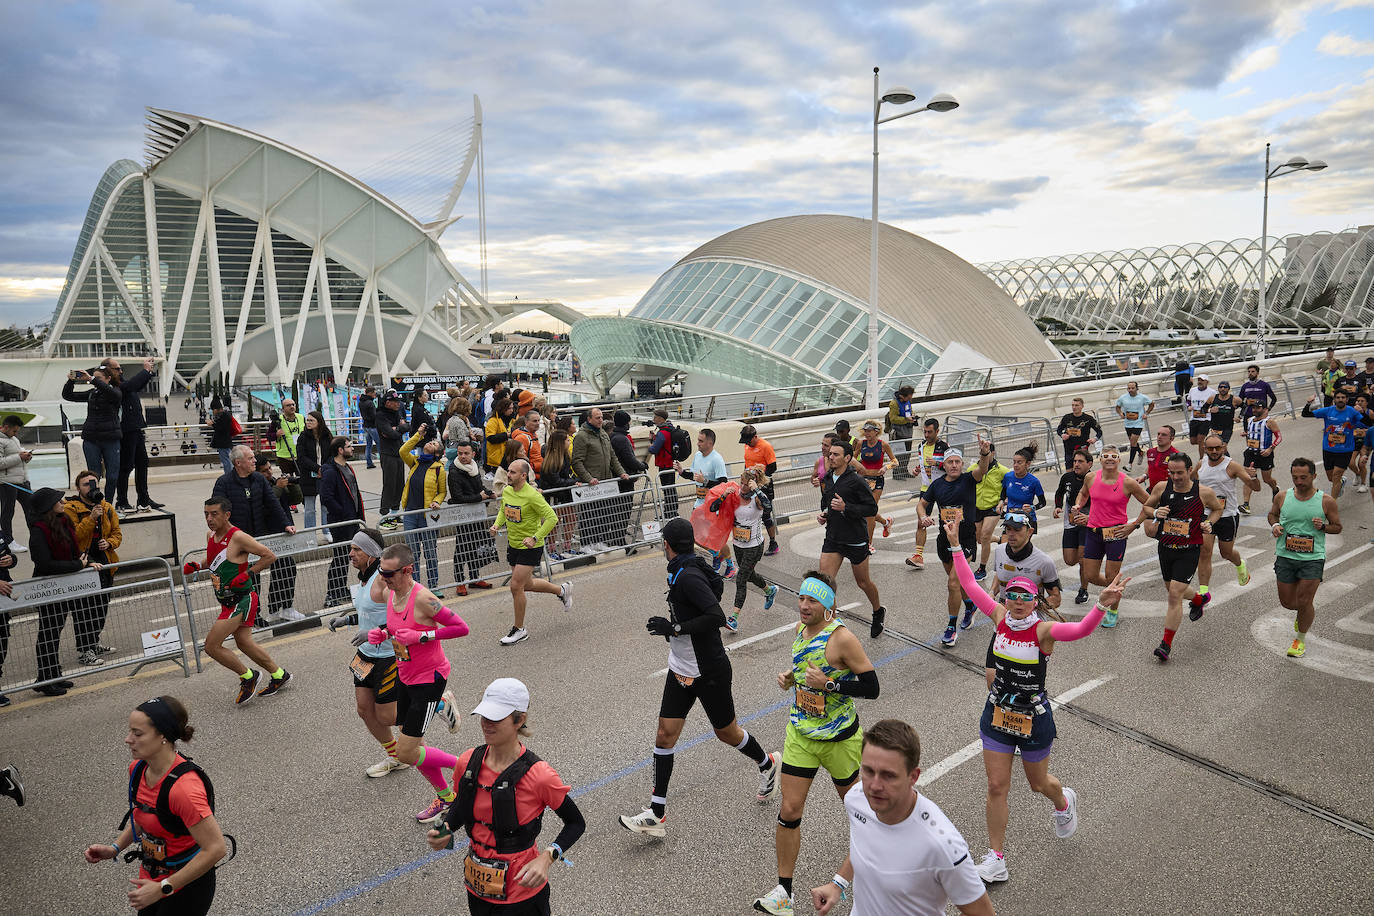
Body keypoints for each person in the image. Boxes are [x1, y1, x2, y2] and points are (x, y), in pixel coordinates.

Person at [950, 527, 1114, 886]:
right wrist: (954, 546)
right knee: (996, 786)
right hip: (996, 714)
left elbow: (1081, 631)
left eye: (1024, 597)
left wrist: (1102, 604)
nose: (1017, 602)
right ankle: (996, 858)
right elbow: (971, 585)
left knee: (1038, 784)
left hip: (1033, 718)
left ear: (1035, 600)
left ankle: (1063, 800)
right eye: (1012, 596)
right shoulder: (997, 618)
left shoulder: (1042, 631)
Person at [620, 517, 780, 838]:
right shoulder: (686, 566)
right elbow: (717, 588)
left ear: (667, 545)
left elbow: (717, 616)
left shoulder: (689, 574)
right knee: (665, 735)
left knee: (728, 734)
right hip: (681, 666)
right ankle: (656, 813)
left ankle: (766, 763)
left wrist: (675, 628)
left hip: (708, 671)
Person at [753, 571, 879, 916]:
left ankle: (870, 871)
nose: (804, 606)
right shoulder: (799, 630)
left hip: (840, 740)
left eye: (812, 601)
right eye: (802, 599)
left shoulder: (842, 639)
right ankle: (783, 893)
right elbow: (806, 666)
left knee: (860, 814)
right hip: (802, 735)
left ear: (829, 605)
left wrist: (830, 686)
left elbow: (872, 687)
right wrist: (790, 678)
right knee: (789, 811)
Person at [428, 678, 587, 916]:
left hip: (523, 893)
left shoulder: (540, 775)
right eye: (484, 717)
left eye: (496, 718)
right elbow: (462, 807)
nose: (486, 724)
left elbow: (576, 823)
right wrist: (446, 828)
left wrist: (547, 857)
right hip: (478, 887)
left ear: (519, 720)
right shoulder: (467, 762)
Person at [808, 719, 993, 916]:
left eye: (888, 775)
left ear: (913, 776)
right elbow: (864, 843)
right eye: (868, 771)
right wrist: (838, 884)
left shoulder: (942, 845)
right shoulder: (856, 799)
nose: (874, 786)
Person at [83, 696, 227, 914]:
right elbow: (144, 818)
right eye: (130, 731)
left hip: (187, 885)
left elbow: (216, 849)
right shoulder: (137, 770)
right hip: (152, 879)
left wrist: (163, 888)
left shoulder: (184, 790)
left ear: (163, 736)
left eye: (137, 733)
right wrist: (114, 848)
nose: (127, 739)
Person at [363, 542, 469, 823]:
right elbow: (398, 628)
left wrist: (423, 637)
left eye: (388, 573)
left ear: (407, 570)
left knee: (407, 752)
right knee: (414, 747)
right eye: (381, 572)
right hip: (405, 674)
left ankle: (467, 766)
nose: (382, 578)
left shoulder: (423, 598)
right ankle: (448, 798)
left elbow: (461, 628)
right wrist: (382, 633)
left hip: (429, 677)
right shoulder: (391, 593)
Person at [183, 496, 292, 702]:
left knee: (211, 646)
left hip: (242, 599)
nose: (209, 518)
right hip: (226, 601)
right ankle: (279, 675)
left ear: (227, 515)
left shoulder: (239, 537)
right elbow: (215, 559)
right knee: (244, 642)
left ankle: (249, 677)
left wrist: (247, 574)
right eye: (206, 514)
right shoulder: (211, 535)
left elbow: (269, 556)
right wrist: (199, 565)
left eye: (214, 514)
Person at [1129, 453, 1225, 662]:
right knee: (1171, 587)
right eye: (1171, 472)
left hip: (1189, 549)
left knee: (1174, 594)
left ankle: (1165, 644)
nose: (1175, 477)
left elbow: (1217, 509)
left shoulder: (1203, 492)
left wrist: (1210, 523)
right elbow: (1146, 506)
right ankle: (1199, 600)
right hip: (1166, 547)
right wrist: (1156, 513)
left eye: (1180, 472)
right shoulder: (1162, 487)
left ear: (1190, 470)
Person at [332, 528, 409, 777]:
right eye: (351, 548)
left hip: (390, 654)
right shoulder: (364, 578)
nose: (350, 553)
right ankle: (396, 756)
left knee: (387, 716)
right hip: (366, 654)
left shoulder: (382, 580)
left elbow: (402, 617)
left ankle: (435, 703)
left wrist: (377, 632)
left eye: (357, 549)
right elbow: (370, 612)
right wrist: (349, 620)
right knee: (365, 709)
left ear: (372, 553)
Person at [916, 442, 992, 645]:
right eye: (950, 462)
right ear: (945, 465)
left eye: (958, 462)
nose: (954, 465)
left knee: (953, 583)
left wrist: (984, 452)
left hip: (965, 539)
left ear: (962, 464)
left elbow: (982, 468)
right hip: (945, 539)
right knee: (961, 583)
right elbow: (922, 504)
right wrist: (923, 516)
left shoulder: (969, 479)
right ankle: (970, 605)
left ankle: (951, 627)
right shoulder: (938, 485)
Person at [488, 458, 571, 646]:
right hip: (514, 544)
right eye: (508, 471)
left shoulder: (532, 496)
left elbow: (552, 518)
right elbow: (504, 509)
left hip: (531, 547)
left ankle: (519, 629)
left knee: (515, 586)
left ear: (523, 476)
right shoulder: (508, 491)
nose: (508, 475)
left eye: (512, 472)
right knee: (527, 585)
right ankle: (562, 590)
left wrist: (535, 537)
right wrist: (496, 524)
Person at [212, 446, 298, 624]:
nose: (254, 461)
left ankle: (274, 609)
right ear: (238, 463)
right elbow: (216, 511)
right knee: (249, 579)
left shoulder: (258, 478)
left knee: (274, 566)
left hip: (260, 535)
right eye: (250, 458)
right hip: (237, 540)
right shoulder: (224, 483)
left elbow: (272, 502)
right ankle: (251, 615)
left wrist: (286, 524)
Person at [1070, 445, 1150, 628]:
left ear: (1119, 460)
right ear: (1100, 459)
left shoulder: (1128, 482)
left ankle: (1113, 610)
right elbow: (1083, 494)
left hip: (1116, 533)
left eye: (1114, 456)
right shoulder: (1091, 477)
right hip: (1093, 532)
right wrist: (1078, 506)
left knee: (1111, 576)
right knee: (1090, 575)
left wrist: (1134, 525)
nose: (1110, 459)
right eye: (1105, 456)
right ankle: (1115, 589)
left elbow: (1149, 503)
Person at [29, 487, 99, 695]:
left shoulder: (63, 522)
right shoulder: (39, 530)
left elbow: (74, 551)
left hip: (64, 587)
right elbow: (44, 563)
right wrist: (77, 566)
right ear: (47, 506)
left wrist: (87, 563)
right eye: (58, 500)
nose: (63, 501)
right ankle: (44, 678)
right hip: (49, 589)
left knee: (55, 632)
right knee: (48, 634)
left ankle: (54, 674)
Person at [1269, 457, 1341, 659]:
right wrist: (1275, 525)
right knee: (1288, 602)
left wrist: (1324, 527)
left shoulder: (1326, 501)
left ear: (1314, 476)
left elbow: (1337, 526)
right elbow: (1272, 515)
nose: (1299, 481)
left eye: (1303, 477)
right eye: (1295, 477)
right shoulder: (1282, 497)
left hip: (1312, 558)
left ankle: (1300, 639)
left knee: (1304, 600)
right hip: (1285, 556)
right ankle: (1303, 613)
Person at [818, 439, 887, 638]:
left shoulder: (856, 481)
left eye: (835, 454)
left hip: (855, 539)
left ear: (847, 458)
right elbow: (826, 502)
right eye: (830, 454)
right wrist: (823, 515)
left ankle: (877, 611)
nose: (831, 457)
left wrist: (846, 508)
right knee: (825, 584)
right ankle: (833, 627)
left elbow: (871, 509)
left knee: (863, 582)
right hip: (833, 537)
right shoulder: (829, 478)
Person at [707, 467, 780, 632]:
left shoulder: (757, 498)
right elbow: (713, 508)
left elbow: (768, 508)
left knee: (741, 579)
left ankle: (733, 618)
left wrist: (758, 490)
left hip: (754, 546)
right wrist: (724, 495)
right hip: (738, 545)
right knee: (749, 574)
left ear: (754, 484)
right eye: (741, 483)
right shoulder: (734, 495)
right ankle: (770, 590)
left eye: (746, 484)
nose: (742, 487)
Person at [63, 469, 122, 666]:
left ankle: (93, 642)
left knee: (101, 606)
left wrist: (110, 543)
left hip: (105, 561)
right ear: (78, 488)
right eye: (86, 484)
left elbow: (117, 533)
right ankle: (84, 650)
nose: (91, 487)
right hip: (83, 562)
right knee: (84, 609)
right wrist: (91, 518)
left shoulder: (106, 507)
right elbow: (73, 537)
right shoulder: (70, 508)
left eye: (94, 483)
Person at [1194, 434, 1260, 605]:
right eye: (1210, 448)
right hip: (1207, 515)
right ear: (1205, 448)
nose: (1214, 451)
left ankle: (1240, 564)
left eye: (1218, 448)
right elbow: (1191, 480)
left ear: (1223, 447)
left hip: (1227, 515)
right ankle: (1204, 592)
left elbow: (1256, 488)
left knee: (1226, 553)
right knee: (1204, 552)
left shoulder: (1231, 465)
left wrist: (1252, 476)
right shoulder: (1201, 464)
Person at [570, 407, 630, 552]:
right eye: (597, 418)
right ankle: (586, 544)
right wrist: (588, 478)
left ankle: (599, 541)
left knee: (604, 513)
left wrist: (621, 472)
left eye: (601, 417)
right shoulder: (582, 436)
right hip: (591, 484)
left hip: (605, 482)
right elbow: (577, 461)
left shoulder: (603, 433)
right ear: (589, 419)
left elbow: (612, 457)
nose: (601, 420)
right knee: (589, 515)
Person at [399, 424, 446, 594]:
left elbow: (442, 492)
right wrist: (418, 435)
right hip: (411, 513)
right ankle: (415, 586)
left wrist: (436, 502)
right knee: (412, 554)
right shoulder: (415, 462)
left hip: (428, 516)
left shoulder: (439, 469)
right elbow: (403, 451)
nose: (430, 443)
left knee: (430, 552)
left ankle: (434, 586)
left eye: (434, 444)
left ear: (437, 453)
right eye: (431, 441)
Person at [320, 435, 366, 606]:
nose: (352, 448)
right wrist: (343, 514)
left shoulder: (347, 467)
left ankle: (340, 589)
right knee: (339, 557)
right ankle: (332, 593)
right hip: (341, 522)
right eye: (349, 446)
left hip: (352, 521)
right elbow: (326, 498)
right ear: (340, 450)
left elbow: (355, 493)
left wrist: (358, 516)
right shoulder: (331, 471)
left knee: (347, 556)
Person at [675, 427, 729, 572]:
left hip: (712, 504)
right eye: (698, 440)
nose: (697, 443)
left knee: (715, 536)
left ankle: (730, 566)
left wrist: (705, 481)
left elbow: (723, 483)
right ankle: (716, 555)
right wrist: (681, 472)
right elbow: (694, 476)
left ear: (710, 443)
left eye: (701, 441)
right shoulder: (698, 456)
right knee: (694, 534)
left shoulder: (717, 459)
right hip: (699, 502)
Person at [113, 356, 162, 513]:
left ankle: (143, 499)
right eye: (117, 369)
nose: (121, 371)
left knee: (142, 463)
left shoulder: (122, 383)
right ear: (109, 371)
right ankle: (121, 501)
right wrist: (145, 370)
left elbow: (136, 385)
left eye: (121, 368)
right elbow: (131, 385)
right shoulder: (113, 386)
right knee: (126, 467)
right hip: (126, 431)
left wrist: (147, 373)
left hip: (136, 429)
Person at [448, 440, 496, 596]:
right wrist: (479, 497)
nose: (462, 456)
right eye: (460, 453)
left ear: (473, 454)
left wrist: (488, 493)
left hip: (477, 515)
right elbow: (457, 497)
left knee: (475, 546)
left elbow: (480, 487)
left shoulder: (474, 467)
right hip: (463, 516)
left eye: (466, 453)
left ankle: (474, 578)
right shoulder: (454, 471)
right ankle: (460, 582)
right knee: (461, 550)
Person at [63, 365, 124, 484]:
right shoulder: (92, 393)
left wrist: (91, 379)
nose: (95, 381)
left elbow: (113, 394)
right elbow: (68, 396)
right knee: (93, 474)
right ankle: (94, 501)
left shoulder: (115, 392)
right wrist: (71, 381)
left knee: (112, 475)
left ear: (108, 378)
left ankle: (108, 502)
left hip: (110, 438)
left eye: (99, 378)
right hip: (91, 437)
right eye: (94, 378)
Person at [1301, 390, 1365, 498]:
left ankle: (1332, 505)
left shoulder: (1352, 411)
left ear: (1347, 399)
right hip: (1328, 449)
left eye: (1343, 397)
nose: (1340, 399)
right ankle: (1342, 481)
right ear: (1334, 399)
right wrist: (1308, 403)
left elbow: (1367, 423)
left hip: (1345, 450)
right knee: (1331, 478)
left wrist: (1362, 412)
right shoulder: (1328, 411)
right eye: (1338, 397)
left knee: (1336, 476)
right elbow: (1305, 414)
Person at [988, 511, 1061, 607]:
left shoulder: (1044, 562)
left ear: (1030, 532)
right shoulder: (999, 551)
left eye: (1017, 530)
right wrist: (992, 592)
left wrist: (1030, 607)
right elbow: (1000, 574)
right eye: (1008, 529)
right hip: (1004, 616)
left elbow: (1056, 599)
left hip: (1032, 619)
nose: (1011, 534)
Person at [1054, 449, 1092, 604]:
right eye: (1075, 461)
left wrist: (1090, 517)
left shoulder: (1095, 479)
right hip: (1070, 522)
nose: (1076, 464)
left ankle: (1083, 589)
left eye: (1080, 461)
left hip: (1088, 522)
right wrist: (1057, 506)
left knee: (1083, 560)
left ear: (1089, 464)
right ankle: (1090, 561)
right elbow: (1059, 493)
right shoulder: (1067, 477)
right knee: (1070, 560)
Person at [852, 421, 897, 552]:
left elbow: (895, 461)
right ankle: (886, 522)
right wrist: (856, 468)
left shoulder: (883, 445)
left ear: (876, 431)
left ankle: (868, 544)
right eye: (865, 431)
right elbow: (852, 458)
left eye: (869, 431)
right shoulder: (861, 444)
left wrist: (886, 467)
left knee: (870, 512)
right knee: (864, 510)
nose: (866, 433)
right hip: (863, 480)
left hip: (877, 480)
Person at [538, 430, 580, 561]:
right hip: (554, 495)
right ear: (560, 443)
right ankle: (551, 549)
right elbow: (556, 481)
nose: (569, 442)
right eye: (567, 440)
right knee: (554, 523)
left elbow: (566, 476)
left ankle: (567, 547)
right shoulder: (551, 460)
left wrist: (573, 481)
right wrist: (573, 482)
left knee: (571, 518)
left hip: (566, 494)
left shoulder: (566, 456)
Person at [741, 424, 782, 555]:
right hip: (750, 484)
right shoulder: (747, 445)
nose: (747, 443)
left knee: (765, 515)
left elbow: (773, 467)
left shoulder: (765, 446)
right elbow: (747, 463)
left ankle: (773, 543)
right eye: (745, 441)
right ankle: (752, 543)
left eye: (749, 440)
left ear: (755, 437)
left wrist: (760, 473)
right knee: (749, 513)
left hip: (763, 485)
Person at [609, 410, 646, 549]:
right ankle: (620, 541)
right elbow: (629, 459)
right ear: (626, 423)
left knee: (615, 511)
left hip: (615, 479)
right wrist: (642, 465)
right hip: (625, 480)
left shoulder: (612, 436)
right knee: (623, 511)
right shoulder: (622, 439)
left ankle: (614, 539)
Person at [1239, 402, 1282, 515]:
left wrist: (1270, 449)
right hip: (1250, 453)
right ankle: (1246, 504)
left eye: (1258, 407)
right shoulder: (1249, 420)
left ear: (1264, 409)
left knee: (1267, 479)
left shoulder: (1269, 422)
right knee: (1248, 477)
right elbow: (1252, 433)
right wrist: (1247, 434)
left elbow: (1279, 437)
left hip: (1264, 454)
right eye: (1253, 407)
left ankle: (1275, 489)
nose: (1255, 410)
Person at [972, 442, 1007, 581]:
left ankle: (982, 568)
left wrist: (1003, 501)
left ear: (992, 453)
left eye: (986, 452)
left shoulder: (1003, 470)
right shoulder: (974, 468)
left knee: (985, 536)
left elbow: (1009, 487)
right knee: (979, 539)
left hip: (993, 508)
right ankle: (998, 539)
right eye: (981, 452)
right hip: (977, 507)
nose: (984, 454)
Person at [377, 389, 410, 529]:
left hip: (398, 452)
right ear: (388, 402)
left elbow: (407, 426)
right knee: (389, 485)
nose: (399, 404)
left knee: (399, 485)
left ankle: (395, 514)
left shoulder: (396, 413)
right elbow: (390, 433)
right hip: (387, 453)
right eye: (396, 402)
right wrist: (399, 428)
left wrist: (398, 428)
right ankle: (384, 517)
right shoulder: (380, 415)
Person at [0, 414, 33, 551]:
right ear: (6, 427)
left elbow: (16, 459)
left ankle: (37, 537)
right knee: (8, 512)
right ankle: (8, 541)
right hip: (7, 483)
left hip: (22, 481)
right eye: (14, 430)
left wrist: (26, 458)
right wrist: (19, 457)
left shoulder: (13, 439)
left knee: (32, 510)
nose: (16, 433)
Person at [295, 410, 331, 531]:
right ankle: (309, 533)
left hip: (325, 475)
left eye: (311, 420)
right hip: (308, 476)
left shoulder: (327, 436)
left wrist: (324, 469)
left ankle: (327, 531)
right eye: (307, 420)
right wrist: (317, 468)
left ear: (319, 422)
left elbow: (332, 454)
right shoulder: (303, 437)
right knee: (309, 508)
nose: (308, 422)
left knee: (325, 506)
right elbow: (301, 457)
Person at [998, 443, 1046, 531]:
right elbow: (1003, 492)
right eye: (1014, 462)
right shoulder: (1008, 477)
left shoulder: (1034, 481)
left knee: (1020, 544)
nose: (1015, 465)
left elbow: (1043, 502)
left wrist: (1032, 508)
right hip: (1010, 519)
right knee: (1006, 543)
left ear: (1027, 464)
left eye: (1019, 462)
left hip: (1026, 520)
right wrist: (1001, 502)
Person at [647, 408, 682, 519]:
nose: (653, 419)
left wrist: (651, 443)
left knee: (667, 489)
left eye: (655, 417)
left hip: (664, 465)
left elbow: (653, 450)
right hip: (671, 463)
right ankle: (673, 511)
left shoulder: (662, 433)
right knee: (671, 488)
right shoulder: (670, 429)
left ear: (660, 419)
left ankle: (668, 513)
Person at [272, 398, 306, 509]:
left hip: (300, 455)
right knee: (288, 480)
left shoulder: (301, 417)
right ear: (283, 408)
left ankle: (306, 501)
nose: (291, 407)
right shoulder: (278, 420)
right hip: (284, 456)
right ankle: (292, 502)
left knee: (303, 478)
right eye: (288, 405)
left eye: (293, 404)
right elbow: (269, 435)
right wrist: (276, 434)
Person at [1114, 381, 1153, 470]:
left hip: (1138, 423)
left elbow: (1152, 404)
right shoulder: (1123, 398)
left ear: (1137, 388)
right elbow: (1117, 407)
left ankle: (1130, 465)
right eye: (1129, 388)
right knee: (1133, 443)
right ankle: (1141, 452)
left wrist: (1146, 413)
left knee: (1132, 442)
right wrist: (1120, 413)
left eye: (1132, 388)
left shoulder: (1142, 397)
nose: (1130, 390)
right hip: (1128, 423)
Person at [1055, 398, 1101, 470]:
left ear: (1082, 406)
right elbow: (1059, 429)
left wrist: (1094, 439)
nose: (1074, 407)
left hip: (1082, 450)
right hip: (1069, 450)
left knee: (1082, 472)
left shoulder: (1088, 419)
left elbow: (1099, 431)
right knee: (1069, 473)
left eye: (1076, 405)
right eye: (1073, 405)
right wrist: (1062, 435)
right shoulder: (1066, 418)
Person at [1184, 372, 1219, 457]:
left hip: (1206, 419)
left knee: (1200, 440)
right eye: (1199, 380)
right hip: (1194, 418)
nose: (1200, 382)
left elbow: (1217, 404)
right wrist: (1189, 406)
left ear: (1207, 382)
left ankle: (1202, 459)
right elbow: (1188, 400)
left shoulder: (1212, 392)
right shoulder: (1192, 390)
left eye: (1202, 380)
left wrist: (1211, 410)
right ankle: (1207, 446)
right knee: (1193, 441)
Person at [1138, 424, 1180, 492]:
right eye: (1158, 434)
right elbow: (1152, 467)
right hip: (1152, 491)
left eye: (1164, 435)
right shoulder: (1150, 452)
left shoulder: (1176, 455)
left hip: (1168, 492)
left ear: (1172, 438)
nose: (1159, 437)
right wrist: (1144, 476)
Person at [887, 384, 917, 475]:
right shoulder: (894, 404)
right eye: (908, 397)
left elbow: (910, 411)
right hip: (898, 432)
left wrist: (912, 417)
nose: (910, 399)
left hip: (908, 431)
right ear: (902, 396)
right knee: (899, 453)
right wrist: (905, 420)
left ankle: (904, 471)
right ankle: (896, 473)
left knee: (907, 452)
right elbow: (893, 419)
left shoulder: (908, 402)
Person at [1203, 380, 1241, 450]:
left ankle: (1228, 460)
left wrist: (1239, 417)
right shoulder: (1213, 398)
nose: (1222, 389)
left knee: (1222, 447)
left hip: (1227, 428)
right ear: (1218, 389)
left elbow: (1245, 407)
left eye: (1225, 387)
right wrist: (1210, 410)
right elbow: (1203, 409)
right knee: (1217, 448)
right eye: (1220, 387)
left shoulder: (1235, 399)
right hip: (1215, 428)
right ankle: (1225, 460)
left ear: (1228, 389)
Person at [485, 397, 517, 475]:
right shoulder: (493, 420)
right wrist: (506, 435)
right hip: (497, 457)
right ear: (503, 409)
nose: (511, 410)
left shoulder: (513, 420)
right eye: (509, 408)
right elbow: (490, 438)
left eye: (512, 408)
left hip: (509, 455)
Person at [205, 398, 234, 475]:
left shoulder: (223, 416)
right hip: (225, 442)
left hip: (223, 443)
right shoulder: (225, 414)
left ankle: (229, 477)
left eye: (213, 409)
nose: (212, 411)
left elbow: (221, 429)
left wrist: (212, 424)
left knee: (226, 461)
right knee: (227, 460)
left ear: (216, 409)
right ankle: (230, 476)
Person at [511, 409, 544, 474]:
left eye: (538, 421)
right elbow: (520, 461)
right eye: (534, 421)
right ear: (526, 422)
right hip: (531, 475)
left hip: (538, 472)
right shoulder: (522, 438)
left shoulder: (533, 434)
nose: (537, 423)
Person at [359, 385, 379, 469]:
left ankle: (369, 463)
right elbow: (374, 415)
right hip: (372, 426)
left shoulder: (361, 402)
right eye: (374, 392)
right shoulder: (370, 403)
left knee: (368, 445)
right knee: (379, 444)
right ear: (370, 393)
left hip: (365, 425)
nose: (375, 394)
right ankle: (384, 461)